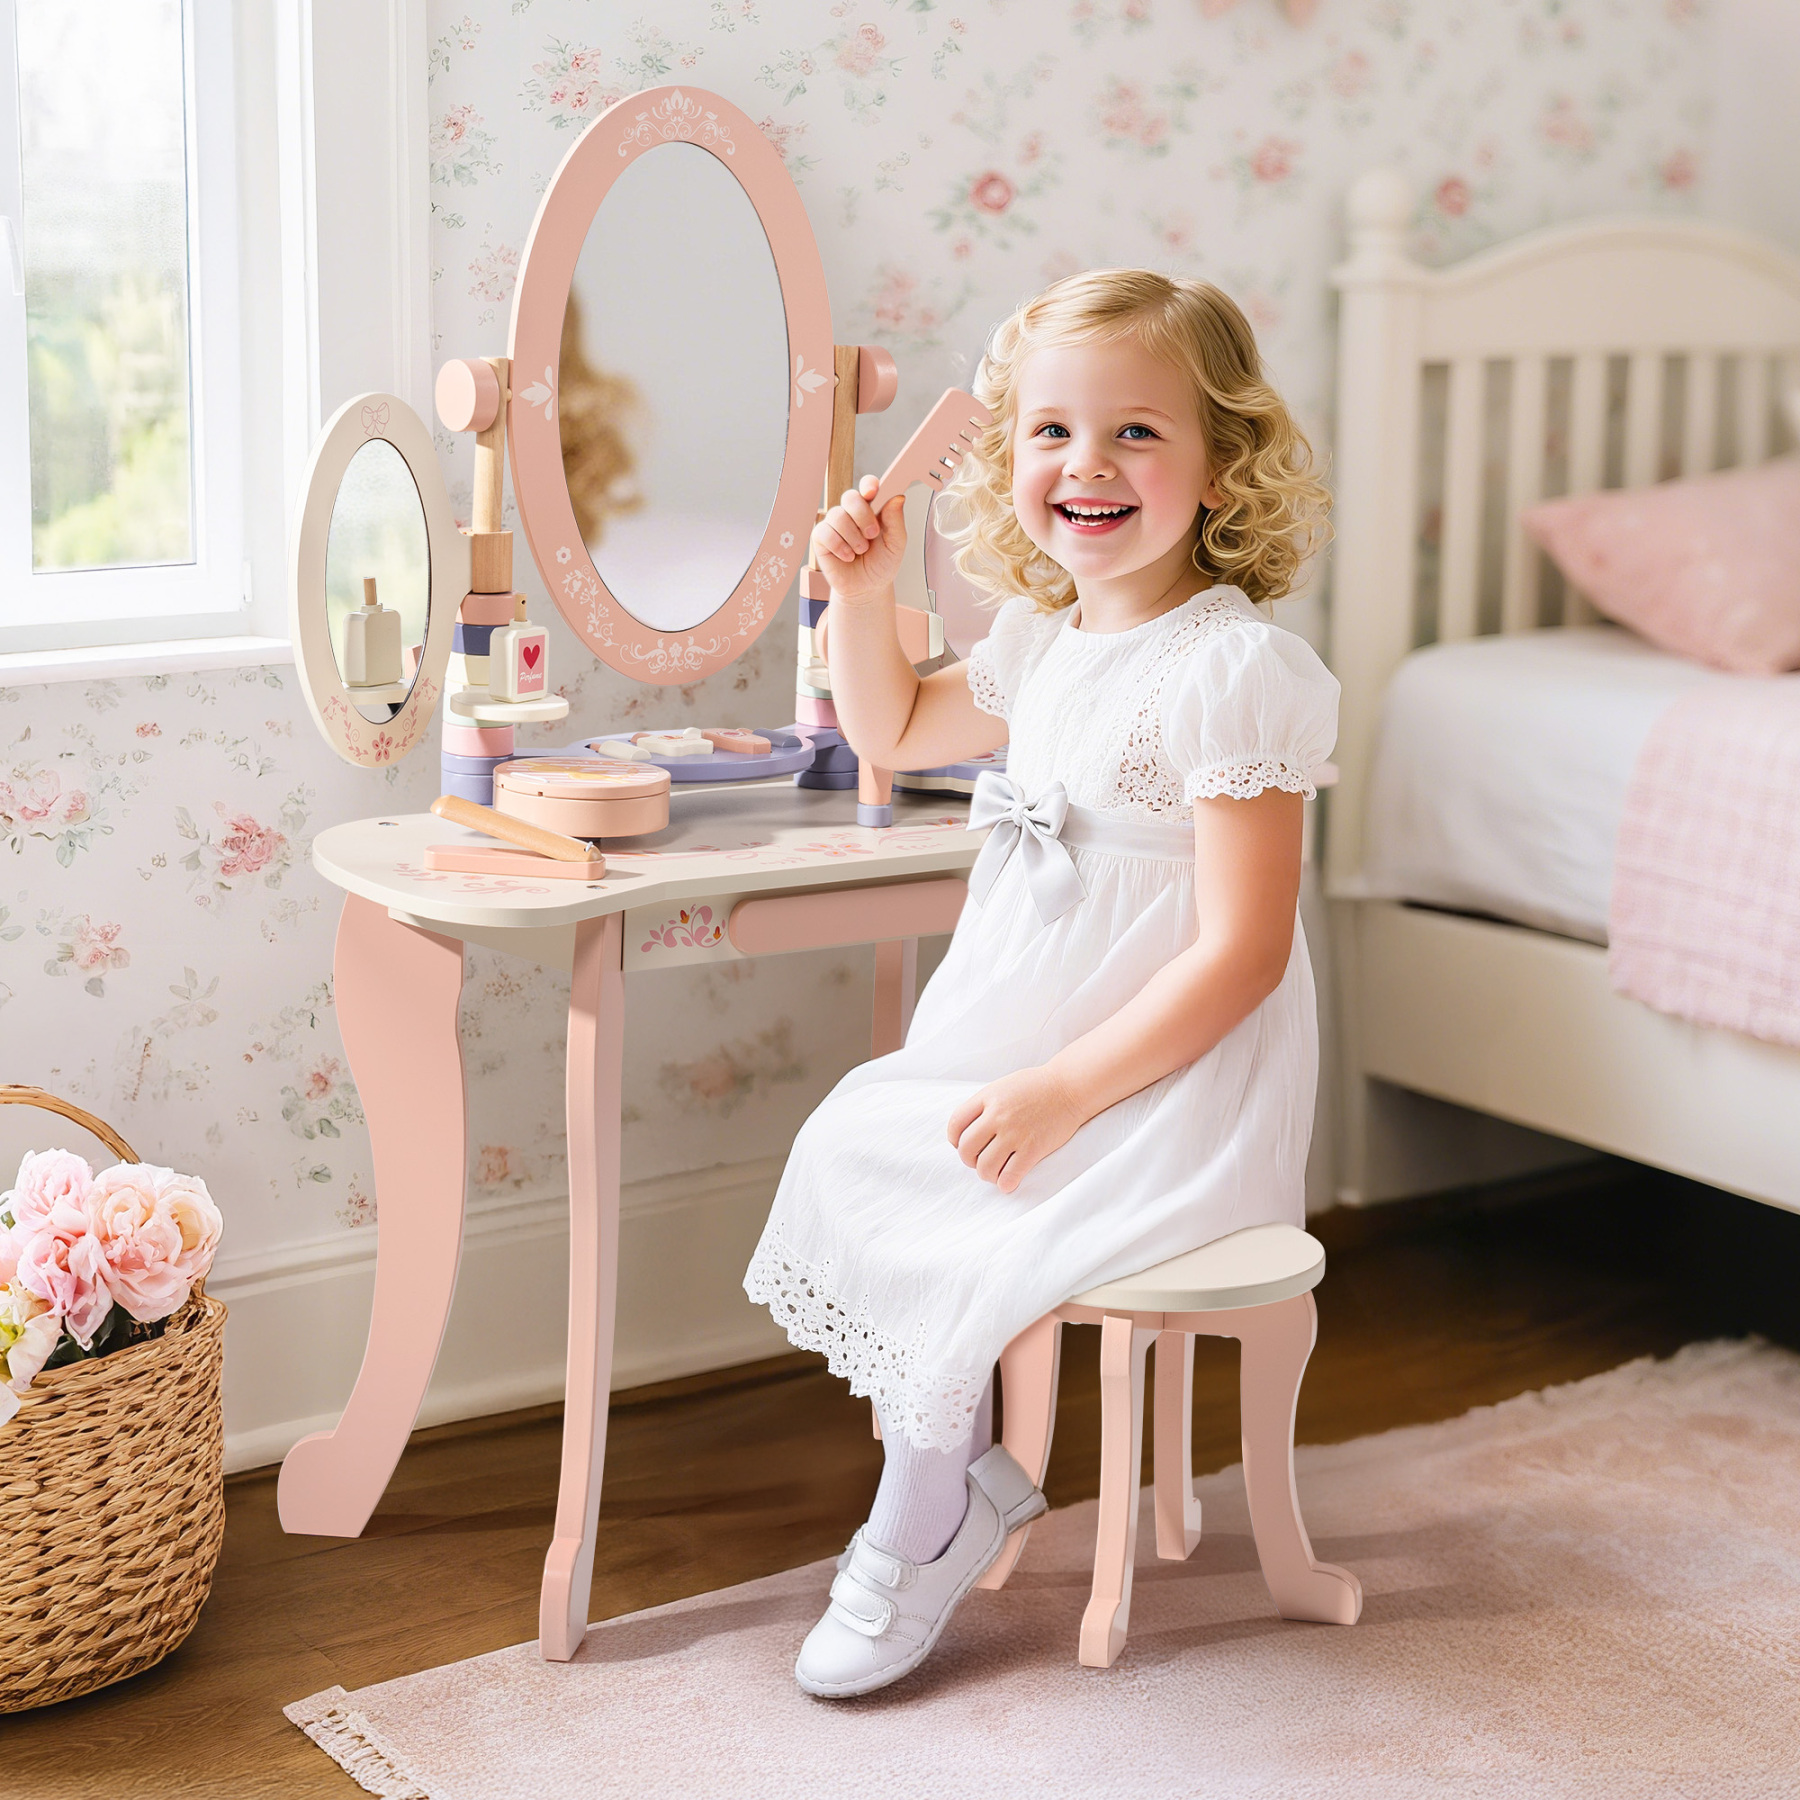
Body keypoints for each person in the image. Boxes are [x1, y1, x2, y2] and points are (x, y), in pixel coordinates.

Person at [744, 268, 1337, 1697]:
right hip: (1026, 1036)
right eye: (1054, 432)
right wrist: (862, 595)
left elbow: (1244, 951)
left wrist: (1067, 1091)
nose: (1089, 464)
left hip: (1164, 1077)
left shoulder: (1235, 671)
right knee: (856, 1137)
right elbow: (890, 728)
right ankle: (955, 1480)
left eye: (1138, 432)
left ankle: (921, 1516)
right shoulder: (1041, 642)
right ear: (1012, 458)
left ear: (1221, 465)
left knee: (974, 1200)